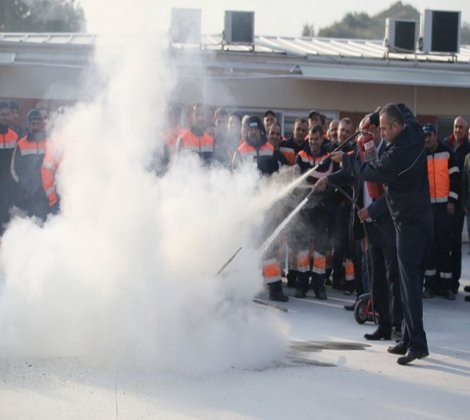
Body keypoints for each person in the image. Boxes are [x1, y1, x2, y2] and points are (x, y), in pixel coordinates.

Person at [339, 103, 432, 365]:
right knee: (406, 283)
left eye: (382, 128)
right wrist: (371, 116)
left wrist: (346, 161)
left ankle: (418, 343)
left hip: (409, 225)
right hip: (420, 220)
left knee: (410, 285)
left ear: (394, 127)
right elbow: (400, 106)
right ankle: (406, 337)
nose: (380, 132)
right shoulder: (412, 129)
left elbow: (369, 171)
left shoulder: (398, 155)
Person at [316, 114, 403, 340]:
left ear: (377, 131)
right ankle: (382, 324)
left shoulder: (388, 154)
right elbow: (349, 173)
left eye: (367, 132)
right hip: (368, 224)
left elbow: (392, 195)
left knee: (392, 275)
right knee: (375, 276)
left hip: (386, 223)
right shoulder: (363, 152)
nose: (363, 137)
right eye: (361, 132)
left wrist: (371, 211)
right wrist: (328, 179)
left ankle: (397, 325)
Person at [232, 116, 288, 302]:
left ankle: (274, 288)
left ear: (261, 131)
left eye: (256, 129)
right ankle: (245, 286)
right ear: (246, 131)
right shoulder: (239, 152)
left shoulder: (270, 150)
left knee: (269, 247)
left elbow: (278, 177)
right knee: (248, 246)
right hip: (249, 206)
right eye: (250, 129)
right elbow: (234, 180)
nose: (253, 132)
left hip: (268, 206)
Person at [292, 124, 331, 300]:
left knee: (320, 252)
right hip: (305, 209)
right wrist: (312, 184)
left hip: (321, 210)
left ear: (322, 139)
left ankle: (319, 287)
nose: (314, 142)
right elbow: (297, 180)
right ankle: (301, 286)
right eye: (312, 139)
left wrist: (312, 181)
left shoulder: (328, 157)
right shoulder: (301, 156)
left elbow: (327, 177)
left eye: (317, 139)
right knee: (302, 250)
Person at [422, 123, 459, 300]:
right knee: (429, 247)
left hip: (445, 207)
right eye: (425, 136)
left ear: (436, 135)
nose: (427, 139)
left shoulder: (447, 152)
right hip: (428, 208)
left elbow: (455, 179)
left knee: (445, 246)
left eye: (429, 135)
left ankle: (447, 287)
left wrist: (452, 200)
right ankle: (430, 286)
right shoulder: (422, 155)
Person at [443, 116, 470, 293]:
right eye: (455, 126)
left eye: (461, 127)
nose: (457, 130)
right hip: (444, 202)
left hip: (460, 204)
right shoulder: (446, 145)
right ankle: (443, 280)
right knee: (444, 241)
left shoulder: (468, 149)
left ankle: (454, 282)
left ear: (466, 130)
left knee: (456, 244)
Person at [10, 109, 49, 220]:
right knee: (29, 219)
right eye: (33, 124)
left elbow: (53, 165)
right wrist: (22, 183)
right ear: (28, 125)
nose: (35, 126)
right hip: (27, 190)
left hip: (45, 189)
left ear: (41, 124)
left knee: (46, 219)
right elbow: (13, 169)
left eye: (37, 123)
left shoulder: (48, 142)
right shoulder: (21, 144)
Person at [0, 100, 20, 235]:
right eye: (2, 114)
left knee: (6, 214)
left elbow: (14, 162)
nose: (5, 117)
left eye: (7, 114)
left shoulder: (14, 135)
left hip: (8, 182)